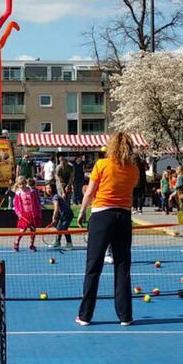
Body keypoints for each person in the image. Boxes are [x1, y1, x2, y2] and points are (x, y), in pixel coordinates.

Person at [75, 132, 139, 327]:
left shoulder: (101, 165)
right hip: (123, 217)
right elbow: (130, 187)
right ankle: (125, 316)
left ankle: (85, 315)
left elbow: (90, 192)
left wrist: (82, 211)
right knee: (122, 266)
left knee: (93, 266)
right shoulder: (133, 170)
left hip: (102, 215)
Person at [12, 175, 42, 252]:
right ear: (18, 185)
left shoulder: (32, 191)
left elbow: (37, 203)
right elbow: (15, 205)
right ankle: (16, 243)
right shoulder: (18, 193)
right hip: (24, 214)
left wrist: (39, 213)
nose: (22, 185)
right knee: (22, 230)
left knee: (33, 230)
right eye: (20, 184)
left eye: (23, 183)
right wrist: (18, 213)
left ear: (26, 183)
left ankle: (31, 245)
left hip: (33, 214)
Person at [45, 183, 73, 249]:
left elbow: (56, 208)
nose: (48, 190)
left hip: (68, 214)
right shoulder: (54, 196)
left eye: (49, 188)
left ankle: (69, 244)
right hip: (63, 215)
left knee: (64, 229)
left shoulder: (55, 197)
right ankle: (57, 242)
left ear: (53, 188)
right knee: (59, 228)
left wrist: (54, 217)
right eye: (46, 188)